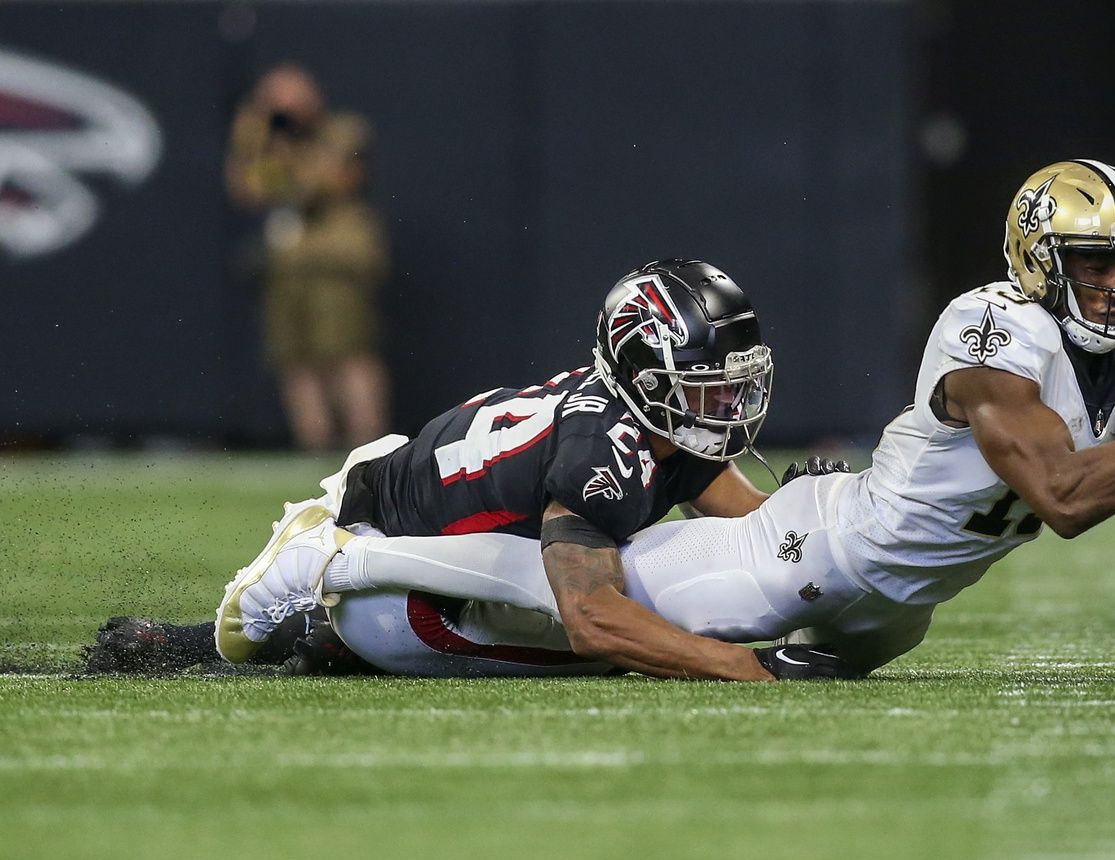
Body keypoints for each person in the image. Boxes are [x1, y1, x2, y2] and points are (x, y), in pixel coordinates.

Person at [205, 160, 1115, 680]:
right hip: (812, 554)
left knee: (858, 642)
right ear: (1034, 261)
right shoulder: (991, 330)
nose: (1113, 286)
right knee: (602, 625)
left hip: (882, 588)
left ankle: (347, 590)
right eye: (1092, 264)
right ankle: (331, 566)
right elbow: (1060, 499)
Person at [212, 258, 831, 682]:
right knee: (620, 638)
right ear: (647, 378)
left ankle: (329, 626)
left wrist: (813, 515)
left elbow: (751, 531)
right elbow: (593, 620)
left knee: (630, 597)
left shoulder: (661, 427)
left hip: (426, 515)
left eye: (735, 385)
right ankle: (331, 562)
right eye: (709, 387)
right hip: (401, 586)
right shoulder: (602, 448)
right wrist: (747, 666)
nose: (730, 404)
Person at [226, 64, 391, 452]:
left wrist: (285, 148)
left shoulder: (343, 130)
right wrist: (252, 134)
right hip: (288, 266)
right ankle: (314, 446)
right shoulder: (266, 140)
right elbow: (247, 191)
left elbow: (324, 182)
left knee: (348, 354)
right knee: (295, 361)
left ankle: (370, 447)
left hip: (336, 264)